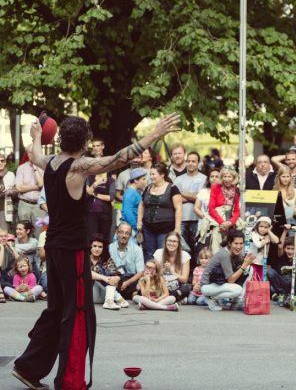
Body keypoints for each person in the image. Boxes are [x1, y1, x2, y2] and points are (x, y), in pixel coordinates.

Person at [13, 112, 179, 390]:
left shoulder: (50, 162)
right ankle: (69, 381)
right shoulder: (79, 167)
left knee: (56, 310)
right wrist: (155, 134)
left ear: (63, 138)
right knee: (77, 313)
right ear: (86, 140)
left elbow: (35, 154)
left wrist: (35, 136)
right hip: (71, 250)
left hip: (53, 247)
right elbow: (119, 158)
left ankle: (28, 368)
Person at [201, 229, 255, 311]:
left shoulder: (238, 252)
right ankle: (211, 298)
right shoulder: (224, 254)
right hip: (208, 286)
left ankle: (236, 302)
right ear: (230, 243)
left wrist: (246, 262)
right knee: (237, 290)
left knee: (249, 269)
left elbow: (241, 270)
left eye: (241, 243)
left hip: (220, 283)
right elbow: (231, 280)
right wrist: (244, 264)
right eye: (236, 243)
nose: (239, 247)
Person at [138, 162, 182, 262]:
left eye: (153, 174)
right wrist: (139, 222)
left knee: (161, 252)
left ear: (162, 175)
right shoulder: (148, 188)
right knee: (149, 252)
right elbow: (142, 205)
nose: (151, 177)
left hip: (165, 228)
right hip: (148, 228)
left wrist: (177, 227)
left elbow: (178, 208)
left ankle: (161, 276)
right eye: (150, 174)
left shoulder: (172, 188)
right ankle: (149, 276)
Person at [267, 225, 296, 306]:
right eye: (288, 248)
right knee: (270, 272)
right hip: (281, 283)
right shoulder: (282, 255)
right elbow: (280, 246)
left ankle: (295, 295)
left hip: (294, 284)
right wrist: (285, 231)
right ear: (285, 249)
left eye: (293, 249)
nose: (290, 251)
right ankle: (281, 295)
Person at [174, 151, 207, 256]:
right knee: (183, 249)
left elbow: (202, 198)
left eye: (193, 161)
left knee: (197, 248)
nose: (190, 163)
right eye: (188, 161)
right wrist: (195, 196)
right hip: (182, 219)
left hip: (198, 219)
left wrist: (182, 194)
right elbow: (175, 199)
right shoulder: (178, 179)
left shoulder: (204, 179)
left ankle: (196, 271)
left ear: (198, 163)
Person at [208, 166, 242, 254]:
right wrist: (222, 223)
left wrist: (230, 222)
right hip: (217, 219)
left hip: (230, 220)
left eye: (229, 176)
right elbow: (211, 208)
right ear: (221, 177)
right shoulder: (215, 187)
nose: (227, 179)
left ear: (233, 178)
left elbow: (237, 210)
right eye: (224, 176)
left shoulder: (236, 190)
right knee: (216, 240)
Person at [90, 234, 128, 310]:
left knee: (113, 276)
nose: (97, 249)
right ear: (90, 246)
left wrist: (116, 278)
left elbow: (116, 274)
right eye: (94, 246)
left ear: (103, 248)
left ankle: (109, 301)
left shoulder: (107, 259)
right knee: (100, 275)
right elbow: (86, 273)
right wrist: (105, 278)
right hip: (89, 295)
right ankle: (118, 298)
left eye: (100, 247)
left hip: (104, 295)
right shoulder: (84, 258)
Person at [109, 222, 145, 301]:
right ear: (116, 233)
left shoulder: (137, 250)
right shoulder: (109, 248)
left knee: (140, 283)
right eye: (121, 232)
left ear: (130, 235)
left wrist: (127, 283)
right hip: (115, 280)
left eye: (127, 233)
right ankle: (126, 296)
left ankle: (120, 296)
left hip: (130, 281)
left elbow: (140, 272)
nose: (124, 236)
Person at [15, 145, 45, 238]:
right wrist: (36, 187)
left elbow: (42, 185)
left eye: (34, 152)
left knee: (39, 234)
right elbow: (19, 188)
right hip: (24, 205)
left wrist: (35, 167)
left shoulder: (44, 168)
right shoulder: (21, 168)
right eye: (29, 152)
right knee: (22, 234)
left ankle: (39, 253)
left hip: (39, 206)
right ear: (27, 153)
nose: (32, 154)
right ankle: (21, 252)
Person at [153, 231, 191, 303]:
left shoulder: (185, 255)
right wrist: (163, 269)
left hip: (176, 286)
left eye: (174, 241)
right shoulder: (158, 253)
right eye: (169, 241)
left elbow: (184, 279)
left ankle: (163, 299)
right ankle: (175, 299)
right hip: (161, 285)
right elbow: (155, 275)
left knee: (186, 288)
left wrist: (172, 271)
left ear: (178, 244)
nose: (171, 243)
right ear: (165, 242)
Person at [86, 172, 115, 243]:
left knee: (104, 239)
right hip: (91, 214)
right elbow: (87, 193)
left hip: (105, 215)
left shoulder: (110, 180)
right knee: (91, 238)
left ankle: (103, 254)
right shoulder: (90, 178)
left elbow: (111, 197)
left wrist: (94, 194)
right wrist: (96, 184)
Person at [194, 168, 220, 238]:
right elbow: (196, 208)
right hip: (204, 225)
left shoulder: (225, 192)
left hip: (219, 226)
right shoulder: (203, 192)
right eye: (212, 176)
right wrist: (206, 218)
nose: (214, 178)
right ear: (209, 178)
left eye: (217, 177)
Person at [0, 151, 15, 232]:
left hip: (4, 209)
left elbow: (16, 190)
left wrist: (11, 191)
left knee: (3, 235)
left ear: (5, 162)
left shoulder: (10, 175)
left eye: (2, 161)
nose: (0, 163)